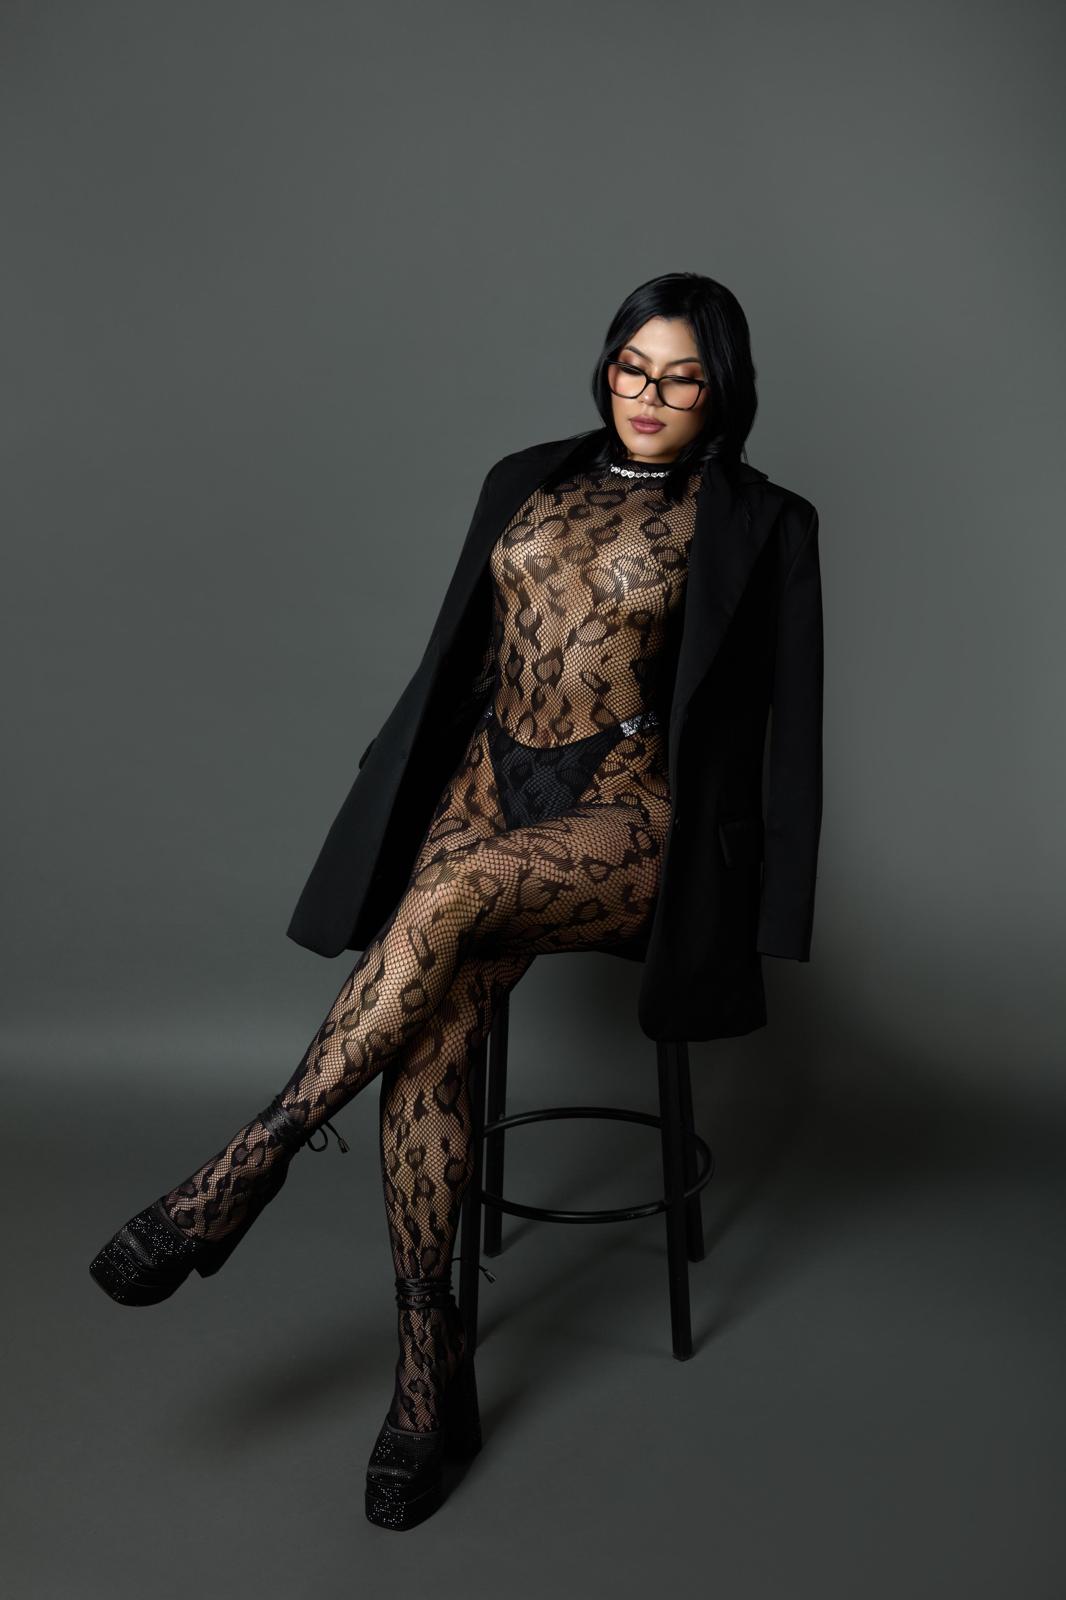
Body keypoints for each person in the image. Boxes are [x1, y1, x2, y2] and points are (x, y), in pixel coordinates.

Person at [89, 270, 823, 1531]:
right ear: (606, 365)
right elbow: (456, 654)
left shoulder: (765, 521)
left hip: (632, 813)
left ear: (724, 392)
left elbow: (788, 728)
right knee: (431, 1021)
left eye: (681, 378)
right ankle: (430, 1380)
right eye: (631, 368)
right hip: (487, 785)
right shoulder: (524, 475)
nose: (647, 396)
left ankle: (250, 1160)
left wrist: (767, 909)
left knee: (455, 891)